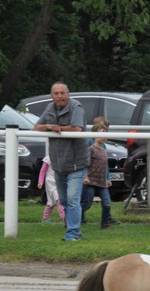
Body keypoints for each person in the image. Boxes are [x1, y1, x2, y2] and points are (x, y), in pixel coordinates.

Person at [33, 81, 89, 241]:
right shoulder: (50, 108)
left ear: (68, 94)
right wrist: (51, 127)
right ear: (52, 96)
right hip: (58, 164)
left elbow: (77, 129)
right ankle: (71, 224)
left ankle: (74, 233)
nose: (59, 96)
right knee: (63, 200)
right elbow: (36, 127)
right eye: (56, 93)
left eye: (62, 93)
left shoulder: (76, 107)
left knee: (72, 200)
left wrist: (60, 128)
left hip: (76, 163)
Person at [81, 121, 113, 229]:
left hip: (101, 183)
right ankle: (76, 218)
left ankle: (105, 223)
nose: (104, 137)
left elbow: (105, 165)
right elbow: (84, 164)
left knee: (107, 203)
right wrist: (85, 177)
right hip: (90, 182)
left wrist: (107, 178)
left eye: (106, 134)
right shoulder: (91, 149)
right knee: (87, 204)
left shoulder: (104, 150)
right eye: (101, 134)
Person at [37, 155, 64, 224]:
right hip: (50, 182)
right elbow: (43, 171)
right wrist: (40, 182)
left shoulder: (63, 157)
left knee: (51, 201)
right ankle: (64, 218)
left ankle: (45, 218)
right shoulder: (48, 158)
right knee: (58, 200)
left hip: (59, 182)